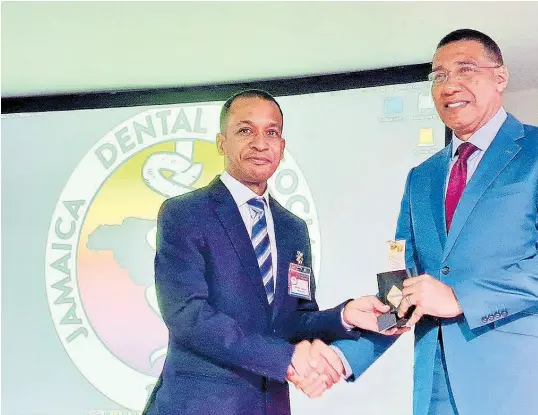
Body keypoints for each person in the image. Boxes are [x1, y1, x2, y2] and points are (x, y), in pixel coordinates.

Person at [326, 29, 538, 415]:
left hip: (522, 383)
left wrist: (460, 298)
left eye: (465, 69)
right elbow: (403, 288)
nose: (449, 85)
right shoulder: (421, 177)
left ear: (500, 78)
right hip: (437, 383)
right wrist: (345, 357)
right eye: (438, 76)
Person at [142, 89, 396, 415]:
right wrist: (285, 359)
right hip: (198, 405)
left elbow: (295, 321)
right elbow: (188, 317)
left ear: (282, 146)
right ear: (222, 142)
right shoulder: (185, 214)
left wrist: (344, 316)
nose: (261, 143)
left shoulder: (293, 228)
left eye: (271, 132)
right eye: (245, 130)